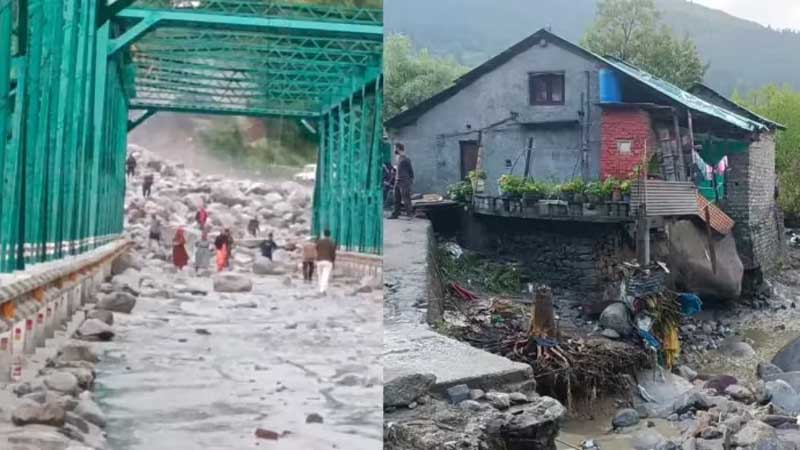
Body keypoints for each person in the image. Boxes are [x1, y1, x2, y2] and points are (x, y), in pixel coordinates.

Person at [390, 143, 414, 219]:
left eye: (395, 148)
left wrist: (411, 180)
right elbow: (399, 169)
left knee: (406, 198)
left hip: (404, 181)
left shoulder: (406, 159)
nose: (394, 149)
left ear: (398, 148)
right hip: (397, 181)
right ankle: (395, 214)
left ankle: (409, 215)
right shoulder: (398, 158)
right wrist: (394, 169)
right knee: (396, 198)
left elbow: (410, 171)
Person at [315, 229, 336, 294]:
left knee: (320, 275)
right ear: (330, 235)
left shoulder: (319, 242)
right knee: (325, 275)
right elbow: (333, 253)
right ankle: (323, 289)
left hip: (319, 260)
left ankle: (320, 289)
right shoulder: (332, 242)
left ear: (323, 234)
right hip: (328, 261)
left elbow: (316, 249)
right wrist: (333, 261)